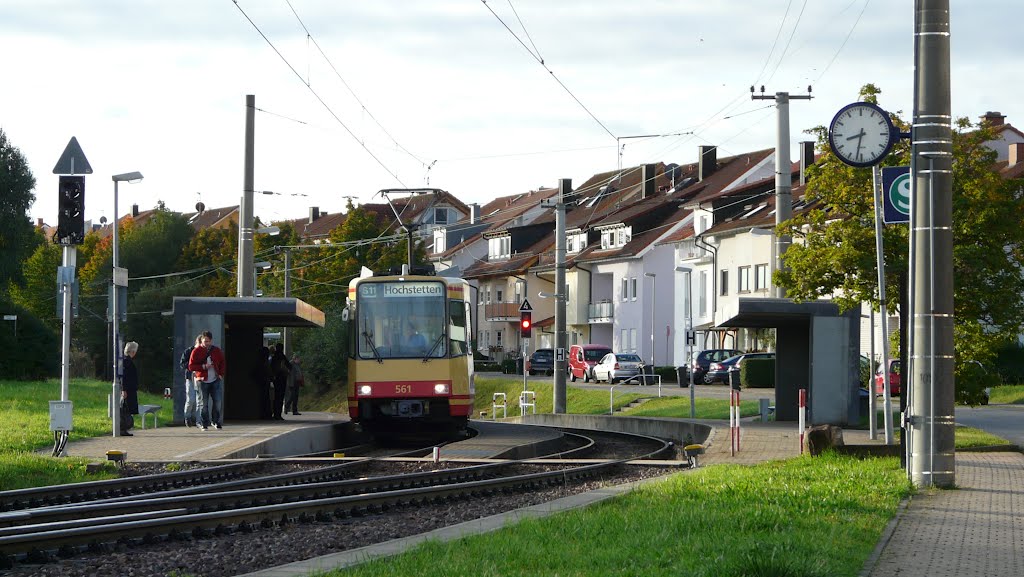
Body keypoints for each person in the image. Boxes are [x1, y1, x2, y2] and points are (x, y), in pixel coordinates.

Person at [188, 330, 226, 431]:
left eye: (208, 341)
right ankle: (204, 423)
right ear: (201, 341)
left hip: (215, 380)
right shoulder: (196, 351)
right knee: (203, 404)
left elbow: (222, 362)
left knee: (217, 402)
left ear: (211, 341)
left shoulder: (216, 350)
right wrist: (204, 366)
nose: (207, 343)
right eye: (205, 341)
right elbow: (191, 366)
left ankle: (215, 421)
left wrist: (221, 374)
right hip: (202, 380)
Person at [179, 335, 203, 428]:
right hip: (190, 377)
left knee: (199, 400)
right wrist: (192, 366)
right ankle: (187, 417)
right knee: (191, 399)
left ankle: (198, 421)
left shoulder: (204, 352)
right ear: (197, 342)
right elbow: (182, 364)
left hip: (200, 378)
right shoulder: (188, 351)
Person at [120, 341, 140, 436]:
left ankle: (124, 428)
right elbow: (125, 376)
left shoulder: (126, 360)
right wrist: (124, 389)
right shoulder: (127, 361)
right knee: (126, 409)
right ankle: (123, 427)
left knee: (127, 408)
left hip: (129, 388)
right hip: (128, 389)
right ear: (132, 351)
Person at [269, 343, 291, 420]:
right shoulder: (282, 357)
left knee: (276, 397)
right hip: (282, 378)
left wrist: (272, 377)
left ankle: (275, 414)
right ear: (282, 348)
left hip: (276, 379)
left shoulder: (274, 357)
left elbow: (271, 368)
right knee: (281, 396)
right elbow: (289, 366)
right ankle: (278, 414)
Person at [253, 345, 273, 420]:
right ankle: (265, 414)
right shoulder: (264, 363)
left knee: (264, 398)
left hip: (263, 382)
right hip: (264, 381)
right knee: (265, 399)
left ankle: (265, 414)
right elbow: (268, 371)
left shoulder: (261, 362)